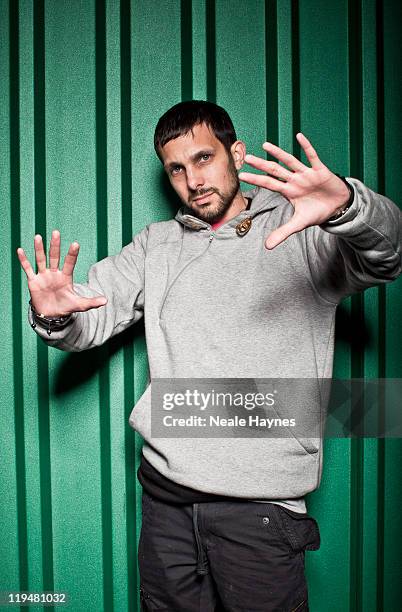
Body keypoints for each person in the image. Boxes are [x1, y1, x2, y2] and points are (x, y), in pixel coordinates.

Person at [17, 100, 401, 611]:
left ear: (235, 153)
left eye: (203, 158)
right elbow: (89, 319)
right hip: (167, 505)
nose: (193, 180)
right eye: (177, 168)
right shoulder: (157, 245)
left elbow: (387, 256)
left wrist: (348, 208)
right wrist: (54, 315)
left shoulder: (301, 228)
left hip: (260, 510)